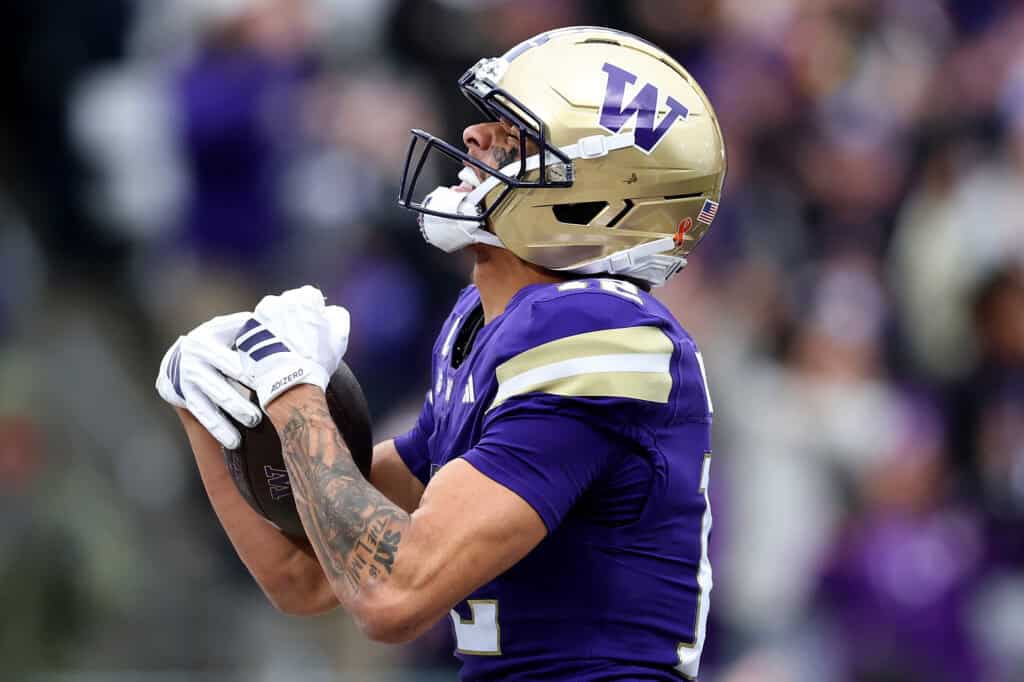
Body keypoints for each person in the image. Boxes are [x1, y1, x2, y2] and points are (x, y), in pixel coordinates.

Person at [156, 26, 725, 681]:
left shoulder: (599, 331)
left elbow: (394, 594)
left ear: (596, 199)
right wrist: (209, 401)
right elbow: (305, 570)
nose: (475, 139)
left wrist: (290, 390)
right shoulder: (490, 323)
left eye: (516, 138)